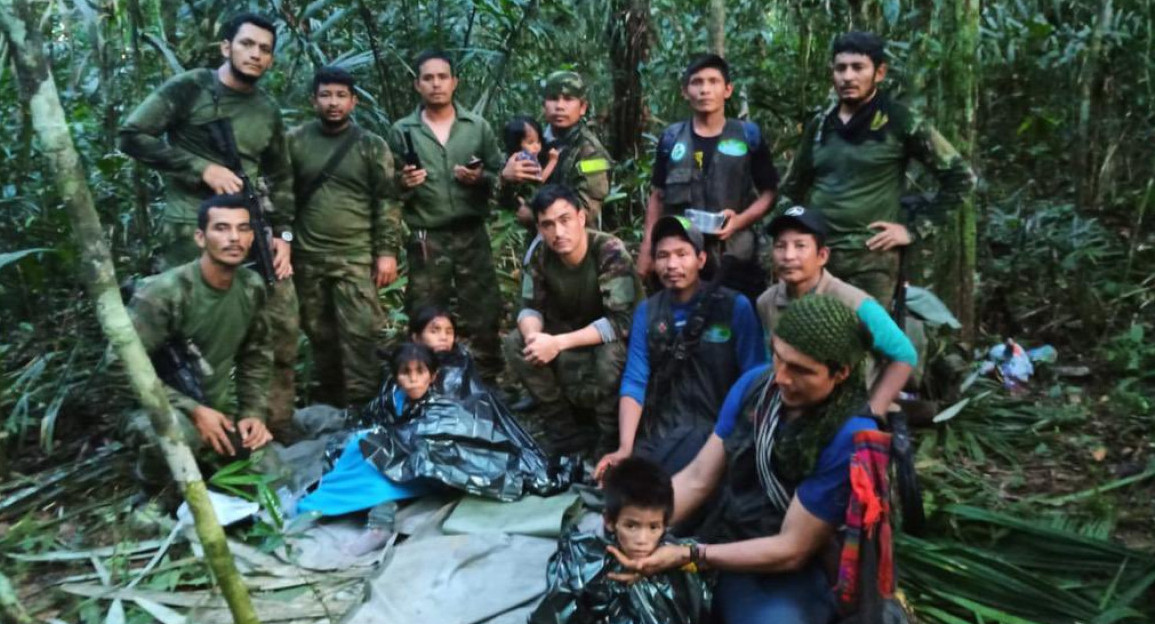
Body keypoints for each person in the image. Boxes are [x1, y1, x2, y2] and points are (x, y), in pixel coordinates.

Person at [607, 295, 879, 624]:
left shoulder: (849, 436)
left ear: (840, 373)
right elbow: (697, 478)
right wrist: (635, 528)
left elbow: (793, 548)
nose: (781, 377)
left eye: (800, 370)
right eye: (778, 357)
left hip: (794, 568)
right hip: (731, 534)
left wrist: (688, 555)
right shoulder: (754, 387)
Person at [118, 12, 301, 438]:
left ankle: (269, 426)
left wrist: (285, 237)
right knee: (188, 333)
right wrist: (200, 168)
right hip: (191, 231)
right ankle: (189, 426)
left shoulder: (267, 111)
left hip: (252, 229)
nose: (255, 54)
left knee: (280, 324)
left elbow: (283, 178)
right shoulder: (191, 89)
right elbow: (132, 135)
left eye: (264, 50)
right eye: (247, 44)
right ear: (226, 47)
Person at [778, 31, 976, 304]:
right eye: (840, 68)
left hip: (871, 261)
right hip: (819, 259)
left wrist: (913, 230)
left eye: (858, 67)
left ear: (879, 72)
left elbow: (961, 178)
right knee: (810, 338)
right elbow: (791, 189)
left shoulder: (900, 120)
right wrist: (791, 242)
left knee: (867, 341)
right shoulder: (821, 125)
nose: (848, 77)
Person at [121, 194, 274, 492]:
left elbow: (256, 356)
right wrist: (192, 410)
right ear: (200, 238)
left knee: (272, 478)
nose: (234, 238)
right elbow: (121, 369)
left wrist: (252, 413)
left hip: (214, 408)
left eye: (243, 229)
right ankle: (152, 493)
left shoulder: (251, 286)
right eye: (222, 228)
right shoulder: (163, 294)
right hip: (155, 407)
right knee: (178, 436)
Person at [596, 216, 766, 478]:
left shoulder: (734, 306)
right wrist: (624, 448)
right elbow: (635, 379)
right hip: (664, 430)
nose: (672, 264)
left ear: (700, 260)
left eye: (681, 254)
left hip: (718, 431)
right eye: (663, 255)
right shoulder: (648, 312)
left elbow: (754, 379)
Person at [387, 50, 507, 385]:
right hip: (428, 236)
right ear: (417, 85)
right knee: (425, 308)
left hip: (472, 232)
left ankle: (486, 381)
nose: (436, 84)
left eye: (443, 77)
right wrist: (404, 183)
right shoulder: (402, 131)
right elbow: (389, 187)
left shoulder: (476, 127)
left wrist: (479, 178)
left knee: (483, 307)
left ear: (455, 82)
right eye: (428, 78)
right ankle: (427, 379)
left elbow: (500, 176)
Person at [287, 66, 401, 408]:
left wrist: (386, 252)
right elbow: (279, 195)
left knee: (361, 334)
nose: (333, 103)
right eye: (325, 95)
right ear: (313, 100)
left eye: (340, 96)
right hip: (307, 257)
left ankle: (365, 405)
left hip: (355, 256)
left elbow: (387, 200)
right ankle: (333, 405)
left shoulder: (370, 145)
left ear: (353, 102)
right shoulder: (294, 141)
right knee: (321, 335)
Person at [503, 185, 642, 458]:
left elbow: (621, 321)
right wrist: (534, 339)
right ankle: (564, 432)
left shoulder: (608, 251)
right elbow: (529, 308)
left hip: (611, 338)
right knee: (516, 343)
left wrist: (556, 343)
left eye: (565, 220)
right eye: (548, 225)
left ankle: (609, 438)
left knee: (610, 355)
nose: (558, 232)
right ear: (540, 229)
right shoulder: (540, 255)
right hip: (566, 333)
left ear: (581, 217)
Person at [639, 54, 779, 302]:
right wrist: (648, 247)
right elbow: (658, 195)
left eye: (713, 82)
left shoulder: (748, 136)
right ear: (685, 91)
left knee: (735, 320)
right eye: (697, 82)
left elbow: (769, 193)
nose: (705, 89)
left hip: (734, 255)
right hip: (681, 257)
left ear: (727, 90)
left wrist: (740, 220)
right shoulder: (672, 139)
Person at [759, 206, 916, 416]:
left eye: (800, 246)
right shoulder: (766, 302)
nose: (788, 256)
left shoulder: (853, 302)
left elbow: (904, 355)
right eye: (780, 246)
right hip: (793, 404)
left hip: (846, 410)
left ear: (822, 255)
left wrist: (873, 410)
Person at [528, 456, 711, 624]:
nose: (642, 540)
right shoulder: (587, 564)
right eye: (631, 526)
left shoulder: (677, 556)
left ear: (665, 525)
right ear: (609, 521)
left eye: (653, 527)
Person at [503, 71, 613, 228]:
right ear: (544, 105)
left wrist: (536, 215)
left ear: (582, 107)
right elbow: (505, 204)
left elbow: (586, 211)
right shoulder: (530, 141)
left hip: (575, 245)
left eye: (568, 99)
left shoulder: (593, 154)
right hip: (537, 245)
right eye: (553, 99)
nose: (560, 106)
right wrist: (505, 179)